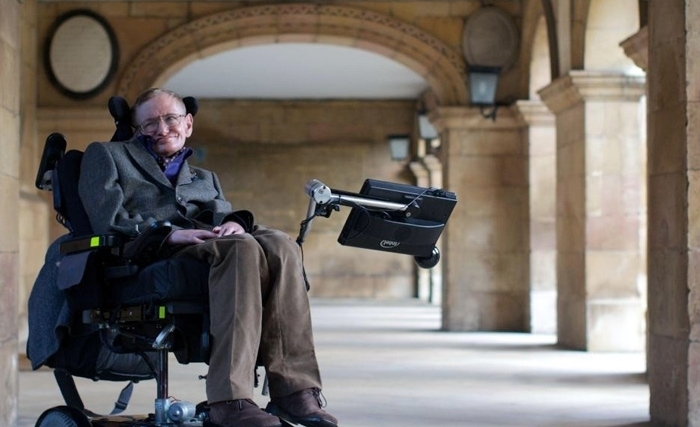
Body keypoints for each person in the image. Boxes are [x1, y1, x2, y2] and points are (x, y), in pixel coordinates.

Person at [77, 88, 338, 427]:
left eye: (170, 119)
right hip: (149, 254)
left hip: (208, 245)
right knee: (242, 249)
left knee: (281, 243)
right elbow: (107, 219)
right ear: (136, 129)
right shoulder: (108, 156)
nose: (162, 128)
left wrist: (233, 222)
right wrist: (168, 233)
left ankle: (294, 390)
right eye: (150, 123)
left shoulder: (204, 178)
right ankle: (229, 400)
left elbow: (220, 215)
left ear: (187, 124)